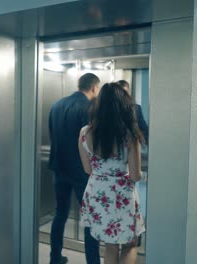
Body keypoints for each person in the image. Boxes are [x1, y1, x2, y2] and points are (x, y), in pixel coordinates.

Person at [78, 83, 145, 264]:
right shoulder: (130, 135)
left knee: (110, 245)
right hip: (122, 195)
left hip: (98, 193)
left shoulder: (85, 132)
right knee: (130, 244)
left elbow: (87, 169)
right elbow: (134, 176)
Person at [48, 73, 101, 264]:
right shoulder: (89, 108)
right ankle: (93, 262)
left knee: (60, 214)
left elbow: (53, 135)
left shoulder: (56, 105)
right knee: (89, 219)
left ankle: (54, 258)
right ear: (94, 88)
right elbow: (90, 142)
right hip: (81, 172)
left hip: (59, 169)